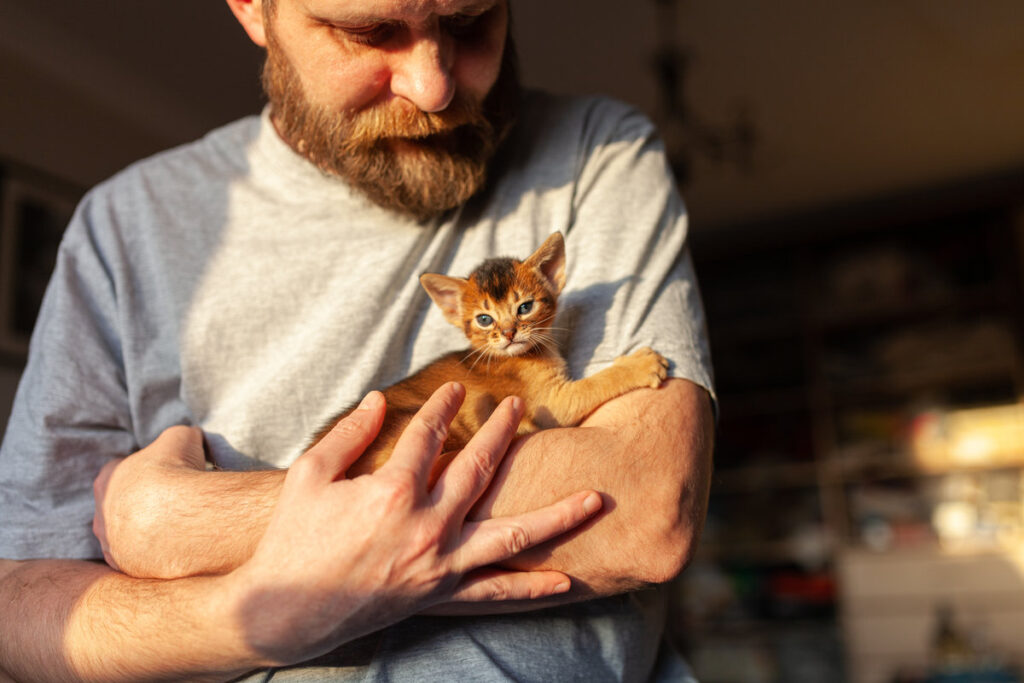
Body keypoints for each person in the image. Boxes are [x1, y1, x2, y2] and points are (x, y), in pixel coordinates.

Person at [0, 0, 716, 680]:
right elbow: (17, 610)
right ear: (253, 7)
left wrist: (175, 524)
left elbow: (649, 508)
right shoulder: (123, 230)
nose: (433, 86)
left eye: (470, 21)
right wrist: (248, 615)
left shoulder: (598, 151)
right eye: (370, 31)